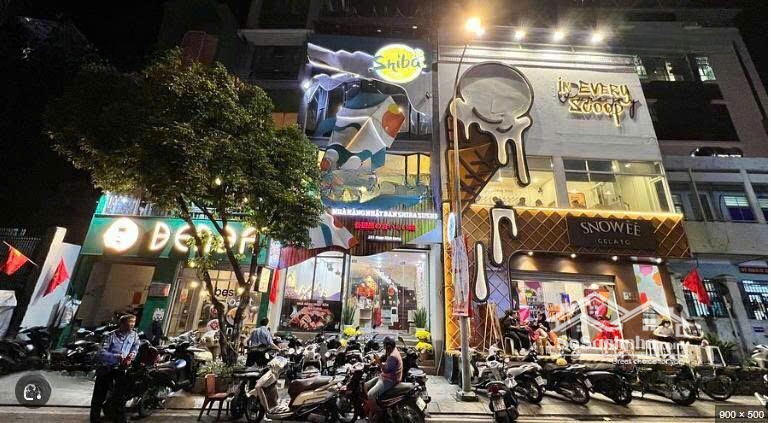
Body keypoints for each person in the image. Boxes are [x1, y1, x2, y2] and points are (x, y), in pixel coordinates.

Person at [90, 314, 140, 423]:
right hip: (106, 368)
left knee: (120, 397)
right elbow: (101, 353)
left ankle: (120, 419)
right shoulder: (110, 336)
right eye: (129, 322)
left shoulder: (134, 336)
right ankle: (95, 419)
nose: (132, 325)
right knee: (99, 397)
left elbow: (135, 347)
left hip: (121, 370)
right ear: (121, 324)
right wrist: (115, 357)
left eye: (133, 322)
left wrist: (132, 355)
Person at [367, 336, 402, 419]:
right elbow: (385, 356)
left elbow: (386, 370)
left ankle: (379, 414)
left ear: (388, 346)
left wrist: (378, 362)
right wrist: (373, 362)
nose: (384, 348)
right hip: (384, 377)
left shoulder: (393, 356)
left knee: (370, 394)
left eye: (385, 346)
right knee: (366, 385)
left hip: (390, 379)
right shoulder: (392, 350)